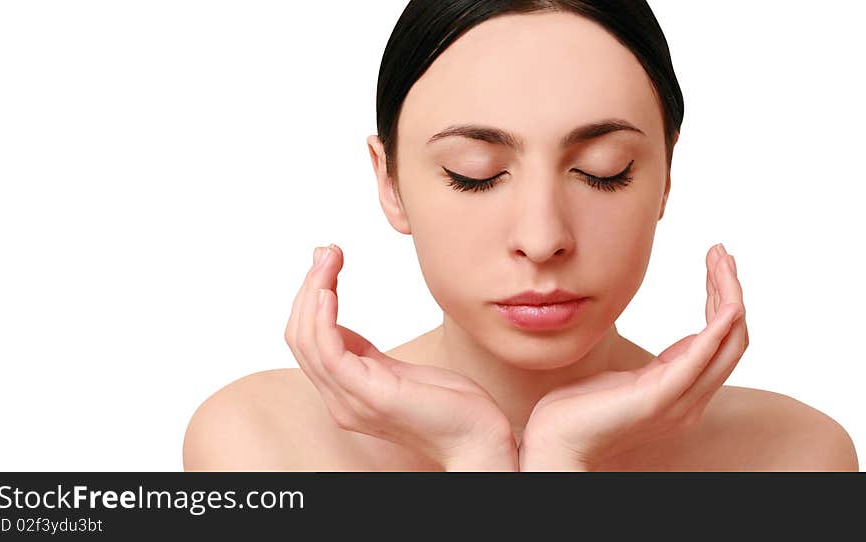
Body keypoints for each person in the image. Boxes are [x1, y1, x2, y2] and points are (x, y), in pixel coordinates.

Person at [183, 0, 858, 471]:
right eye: (474, 175)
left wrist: (560, 460)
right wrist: (473, 453)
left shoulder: (792, 459)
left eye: (604, 172)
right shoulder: (264, 444)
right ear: (388, 182)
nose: (543, 239)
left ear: (666, 173)